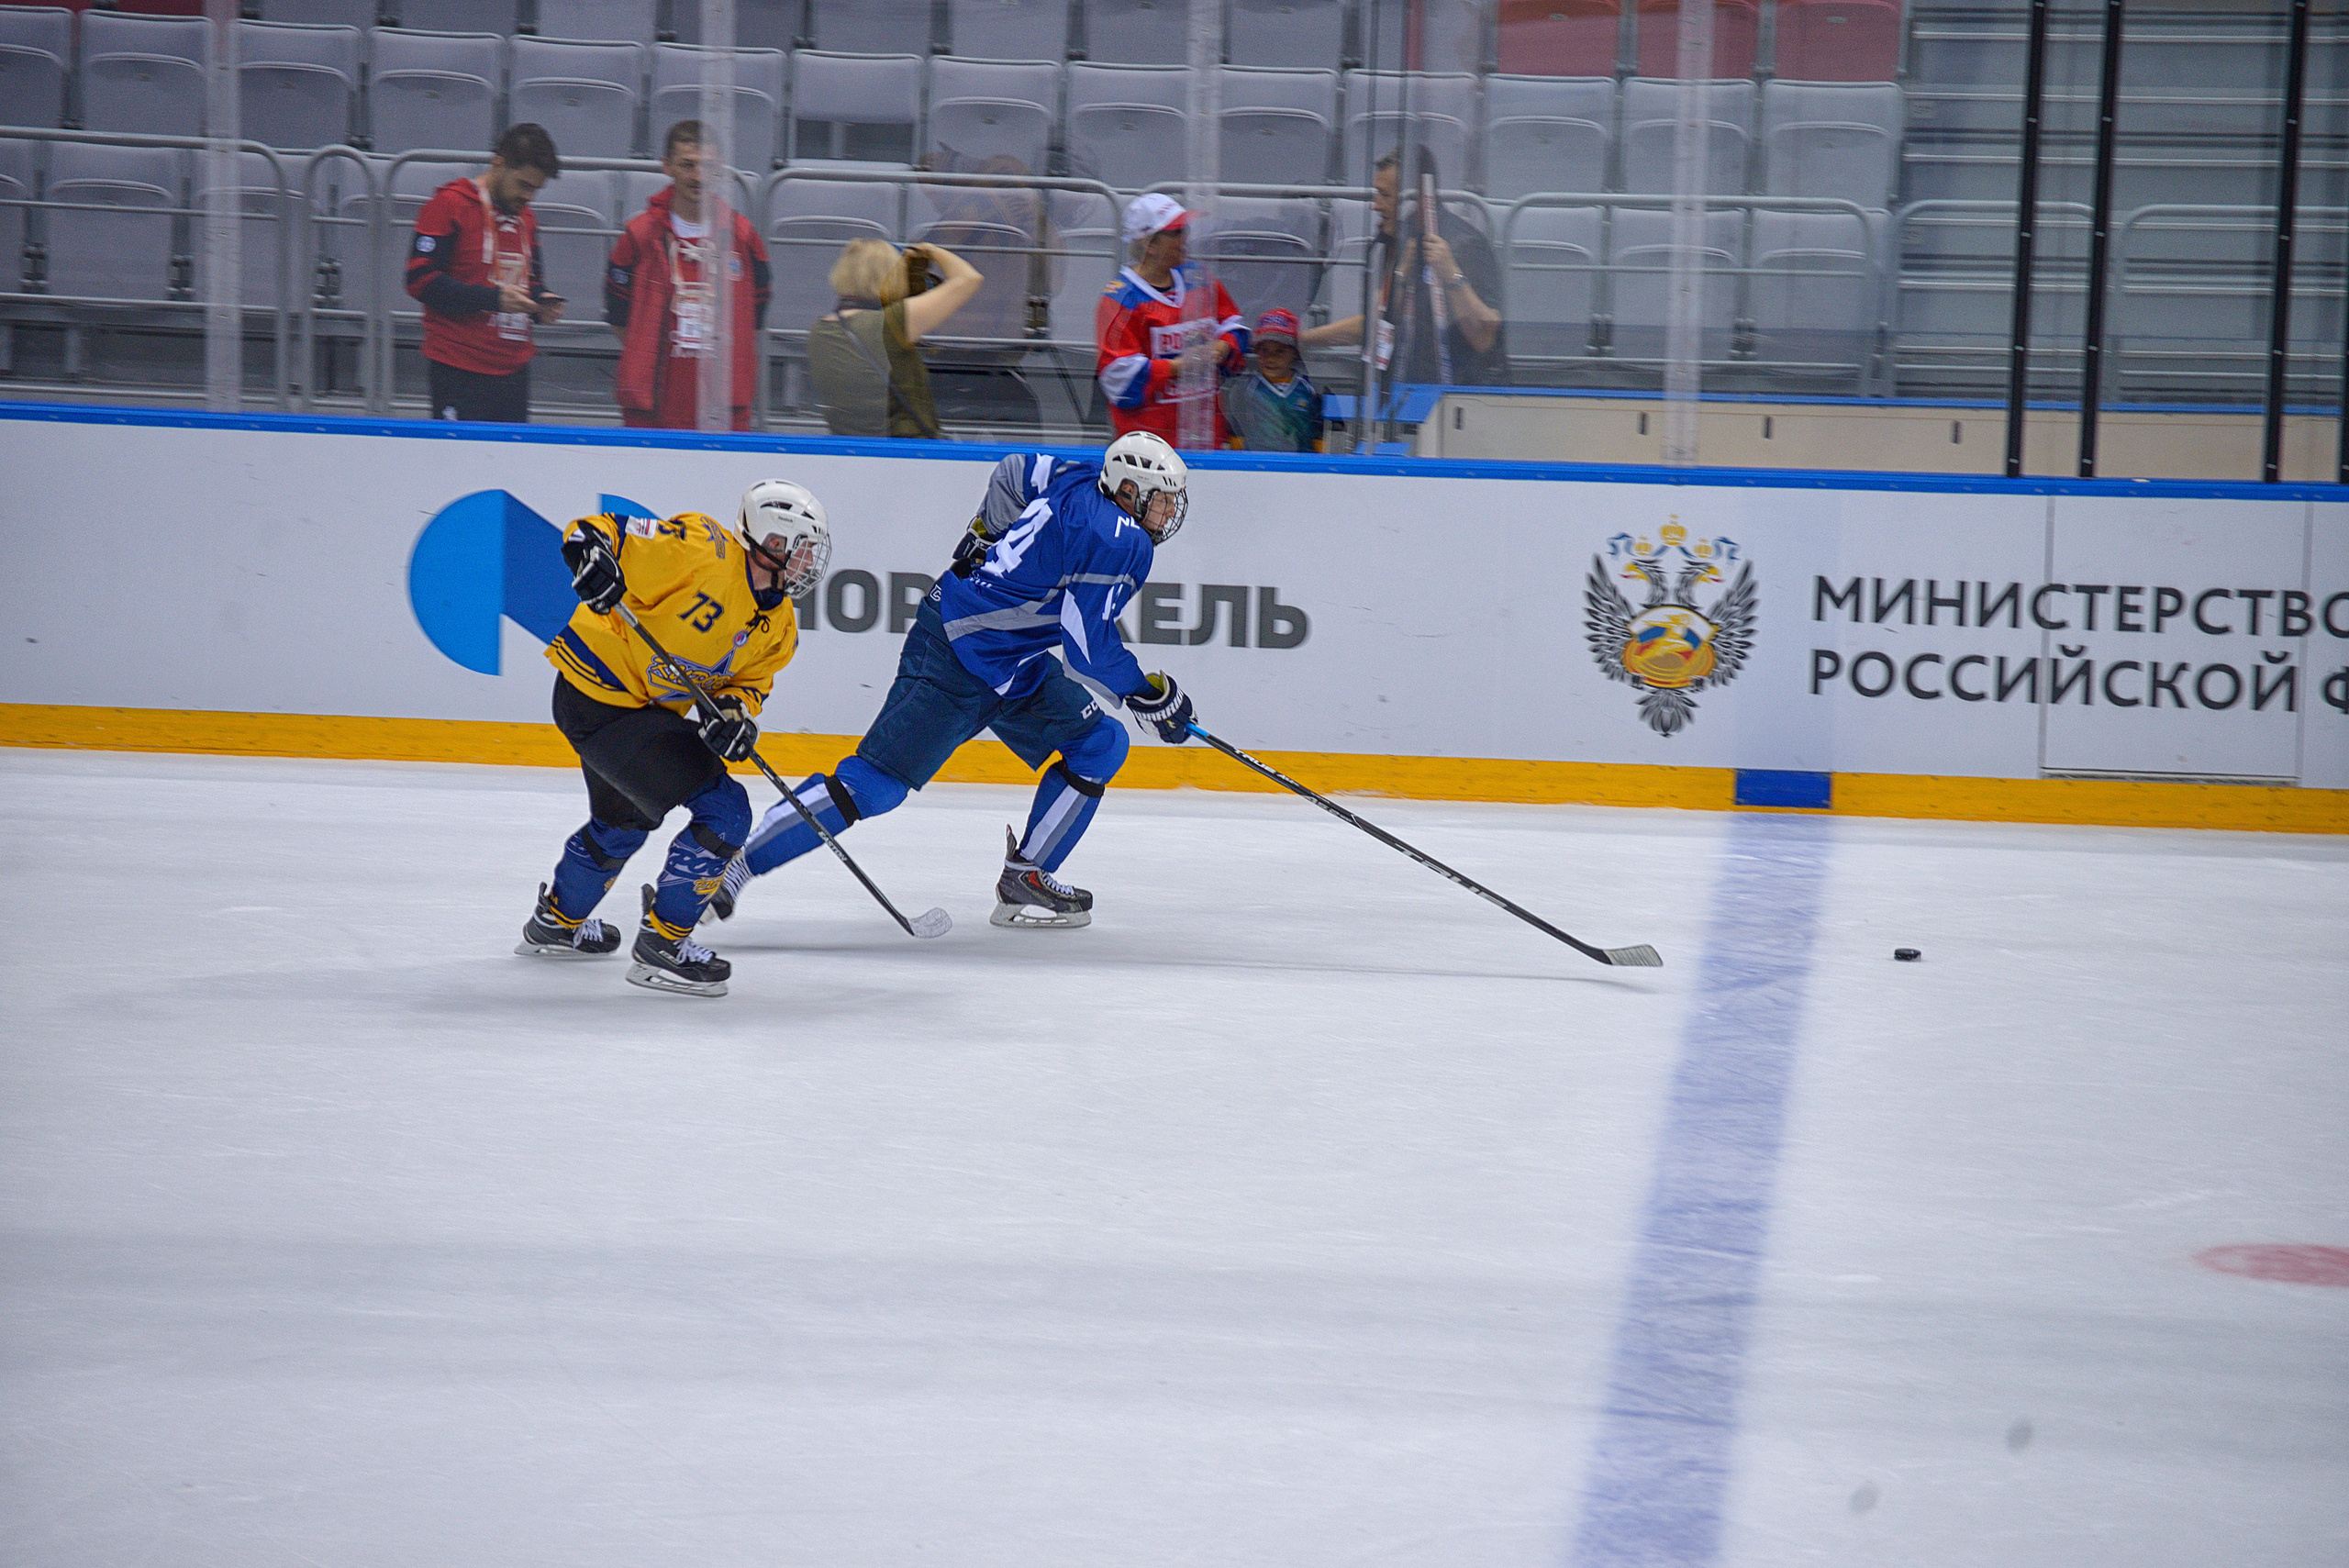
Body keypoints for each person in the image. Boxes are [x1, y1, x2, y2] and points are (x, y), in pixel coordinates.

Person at [708, 431, 1199, 931]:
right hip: (955, 649)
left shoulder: (1072, 475)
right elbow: (1087, 645)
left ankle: (1026, 876)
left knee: (1100, 741)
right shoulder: (1122, 538)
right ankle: (732, 869)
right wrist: (1146, 693)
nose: (1168, 513)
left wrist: (986, 530)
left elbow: (1013, 468)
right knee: (873, 788)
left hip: (1012, 660)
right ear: (1127, 491)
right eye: (1160, 500)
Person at [515, 480, 832, 998]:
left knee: (624, 820)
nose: (806, 563)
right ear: (770, 541)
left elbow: (748, 686)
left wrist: (734, 716)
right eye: (797, 548)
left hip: (633, 713)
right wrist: (589, 557)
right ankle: (663, 946)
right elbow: (602, 533)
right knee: (727, 811)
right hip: (600, 699)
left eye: (811, 552)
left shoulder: (781, 628)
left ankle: (555, 922)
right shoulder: (700, 548)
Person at [605, 120, 773, 432]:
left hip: (724, 407)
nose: (698, 176)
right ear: (666, 166)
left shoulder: (744, 237)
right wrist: (653, 350)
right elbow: (617, 313)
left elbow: (756, 315)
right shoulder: (639, 236)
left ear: (720, 168)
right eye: (687, 165)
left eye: (707, 167)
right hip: (652, 407)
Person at [1299, 148, 1508, 386]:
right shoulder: (1390, 244)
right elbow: (1375, 324)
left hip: (1460, 399)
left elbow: (1485, 337)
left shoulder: (1466, 245)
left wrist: (1452, 275)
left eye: (1385, 196)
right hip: (1403, 396)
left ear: (1417, 199)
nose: (1375, 206)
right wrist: (1300, 340)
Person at [406, 123, 567, 423]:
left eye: (536, 189)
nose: (529, 197)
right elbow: (419, 281)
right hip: (459, 371)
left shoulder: (525, 219)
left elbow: (530, 281)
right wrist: (493, 299)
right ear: (499, 164)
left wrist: (540, 300)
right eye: (524, 185)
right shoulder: (449, 205)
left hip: (514, 372)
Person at [1095, 193, 1248, 449]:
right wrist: (1180, 366)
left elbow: (1236, 326)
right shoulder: (1119, 299)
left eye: (1184, 230)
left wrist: (1222, 348)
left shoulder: (1198, 277)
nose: (1185, 239)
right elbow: (1119, 381)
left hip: (1209, 440)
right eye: (1176, 233)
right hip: (1149, 451)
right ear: (1149, 244)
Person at [805, 236, 982, 439]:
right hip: (907, 452)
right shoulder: (890, 324)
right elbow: (969, 278)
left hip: (849, 449)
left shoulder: (818, 332)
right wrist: (931, 250)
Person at [1221, 307, 1326, 452]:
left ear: (1295, 353)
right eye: (1264, 350)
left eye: (1280, 351)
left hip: (1301, 467)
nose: (1271, 358)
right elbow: (1236, 434)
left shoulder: (1311, 389)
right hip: (1257, 465)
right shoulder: (1244, 389)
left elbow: (1319, 436)